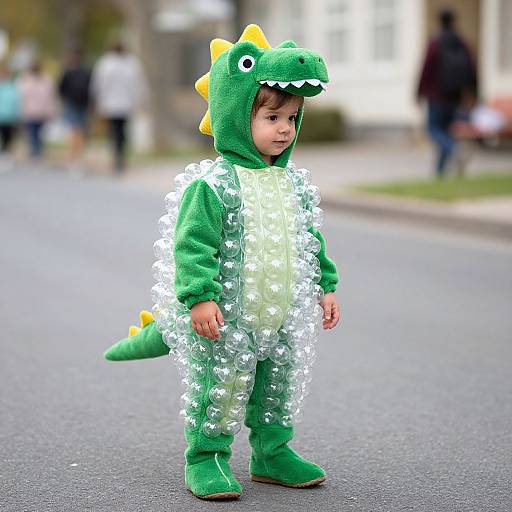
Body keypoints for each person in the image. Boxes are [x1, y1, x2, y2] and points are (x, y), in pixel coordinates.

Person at [103, 25, 340, 501]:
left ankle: (272, 454)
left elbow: (309, 239)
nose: (284, 129)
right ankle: (206, 456)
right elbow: (193, 245)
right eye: (271, 116)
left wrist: (326, 286)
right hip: (225, 318)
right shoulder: (213, 186)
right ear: (235, 113)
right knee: (222, 389)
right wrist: (198, 297)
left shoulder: (293, 184)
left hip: (281, 316)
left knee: (277, 388)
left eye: (291, 118)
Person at [417, 9, 477, 177]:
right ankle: (439, 173)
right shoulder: (462, 43)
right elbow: (472, 69)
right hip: (455, 95)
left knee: (433, 130)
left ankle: (455, 151)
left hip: (436, 95)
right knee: (445, 132)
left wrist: (418, 92)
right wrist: (473, 93)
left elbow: (426, 70)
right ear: (454, 22)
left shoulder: (435, 43)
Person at [90, 41, 147, 172]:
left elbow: (98, 84)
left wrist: (98, 100)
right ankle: (119, 156)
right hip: (122, 103)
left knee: (115, 131)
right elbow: (138, 84)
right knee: (121, 131)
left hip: (113, 103)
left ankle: (117, 155)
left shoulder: (106, 63)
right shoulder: (131, 63)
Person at [58, 48, 91, 170]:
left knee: (75, 131)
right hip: (77, 104)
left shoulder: (71, 72)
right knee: (77, 131)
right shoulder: (83, 72)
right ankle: (76, 157)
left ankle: (75, 157)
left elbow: (61, 89)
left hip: (77, 104)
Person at [18, 61, 56, 159]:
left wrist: (51, 110)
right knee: (32, 132)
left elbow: (50, 96)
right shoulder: (25, 79)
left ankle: (38, 150)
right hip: (30, 111)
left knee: (39, 133)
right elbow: (21, 96)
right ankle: (34, 151)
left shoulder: (46, 79)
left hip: (42, 111)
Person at [0, 63, 20, 169]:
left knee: (9, 137)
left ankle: (7, 154)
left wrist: (17, 114)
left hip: (9, 116)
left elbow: (17, 101)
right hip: (1, 115)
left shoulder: (13, 86)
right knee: (3, 136)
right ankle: (3, 153)